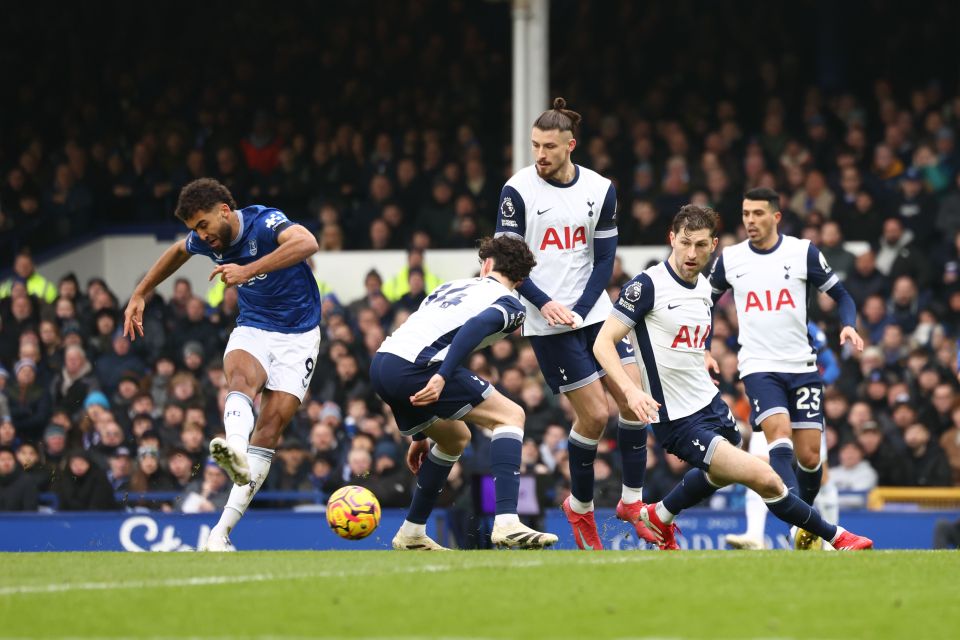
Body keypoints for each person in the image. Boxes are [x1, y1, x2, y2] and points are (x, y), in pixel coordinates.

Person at [592, 204, 872, 551]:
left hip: (709, 404)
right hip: (678, 420)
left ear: (713, 246)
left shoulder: (703, 290)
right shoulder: (648, 285)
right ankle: (838, 537)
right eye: (684, 243)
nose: (691, 253)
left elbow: (685, 344)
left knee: (721, 473)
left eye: (700, 245)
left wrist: (703, 358)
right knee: (765, 477)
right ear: (671, 240)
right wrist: (631, 393)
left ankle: (661, 515)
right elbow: (603, 343)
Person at [122, 177, 321, 551]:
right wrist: (140, 292)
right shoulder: (204, 238)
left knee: (271, 428)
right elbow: (178, 251)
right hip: (254, 327)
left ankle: (221, 531)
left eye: (203, 224)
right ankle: (235, 451)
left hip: (299, 335)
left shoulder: (265, 222)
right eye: (194, 228)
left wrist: (247, 270)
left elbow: (307, 242)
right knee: (240, 379)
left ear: (224, 211)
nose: (200, 235)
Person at [494, 98, 654, 550]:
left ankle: (632, 502)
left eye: (548, 146)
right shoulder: (517, 190)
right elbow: (507, 263)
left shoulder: (600, 189)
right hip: (546, 322)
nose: (539, 154)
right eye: (534, 146)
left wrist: (584, 308)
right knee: (596, 415)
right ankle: (580, 507)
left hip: (592, 312)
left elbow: (605, 259)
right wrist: (545, 306)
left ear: (570, 146)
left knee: (634, 394)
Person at [370, 235, 557, 550]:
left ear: (485, 265)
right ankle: (508, 522)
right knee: (511, 415)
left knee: (455, 437)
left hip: (383, 364)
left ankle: (412, 532)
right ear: (521, 280)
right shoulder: (511, 303)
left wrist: (420, 433)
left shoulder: (451, 286)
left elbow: (425, 329)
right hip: (420, 369)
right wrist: (443, 376)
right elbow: (474, 328)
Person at [708, 187, 865, 550]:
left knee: (810, 458)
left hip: (802, 365)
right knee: (779, 441)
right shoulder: (730, 258)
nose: (750, 221)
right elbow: (703, 302)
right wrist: (704, 347)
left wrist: (848, 324)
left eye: (758, 214)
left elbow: (842, 295)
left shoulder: (802, 252)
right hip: (759, 366)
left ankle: (803, 518)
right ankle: (801, 527)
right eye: (746, 214)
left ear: (776, 217)